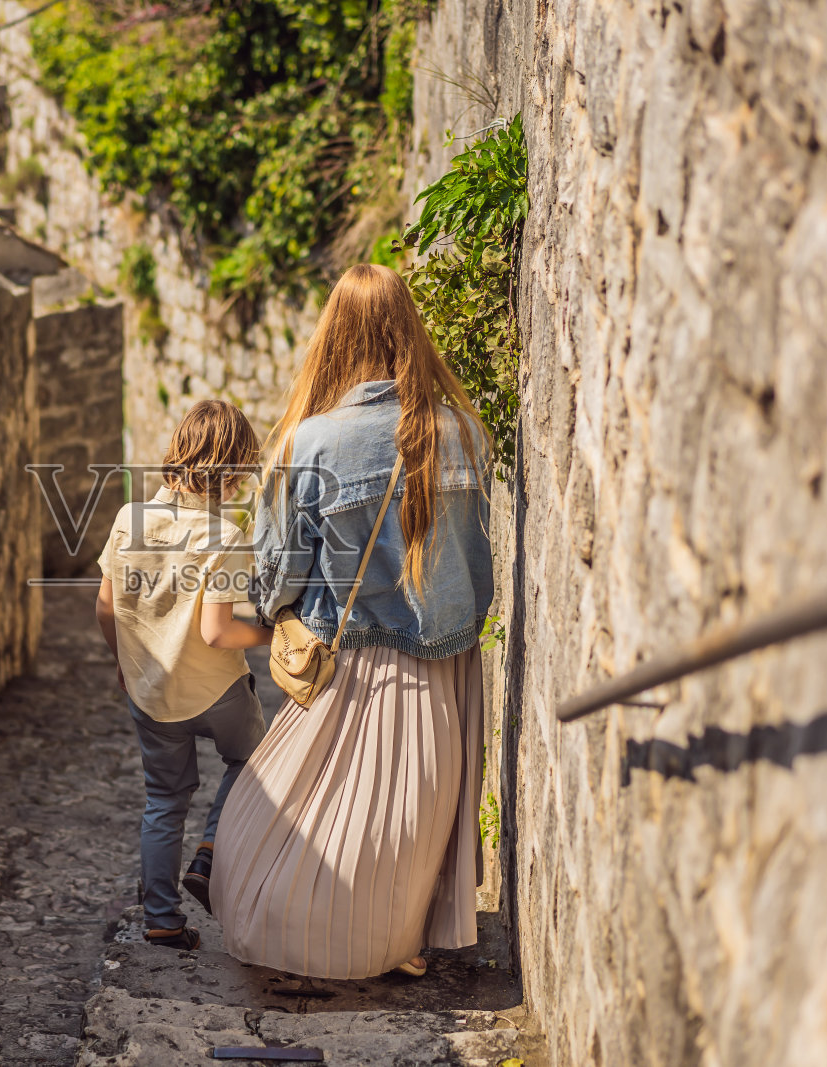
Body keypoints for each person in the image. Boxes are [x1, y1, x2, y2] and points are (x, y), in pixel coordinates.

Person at [209, 263, 495, 980]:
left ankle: (309, 939)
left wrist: (282, 615)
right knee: (409, 825)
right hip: (441, 668)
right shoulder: (462, 432)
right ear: (409, 329)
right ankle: (403, 942)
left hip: (345, 668)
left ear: (335, 333)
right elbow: (479, 573)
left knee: (287, 817)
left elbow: (279, 574)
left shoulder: (313, 443)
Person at [95, 399, 275, 951]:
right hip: (217, 689)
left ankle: (162, 921)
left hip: (149, 690)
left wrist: (126, 666)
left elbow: (106, 607)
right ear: (234, 467)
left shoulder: (131, 519)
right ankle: (211, 850)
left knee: (163, 800)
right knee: (252, 760)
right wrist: (270, 633)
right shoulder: (224, 536)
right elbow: (219, 633)